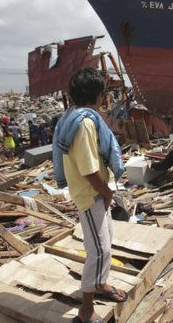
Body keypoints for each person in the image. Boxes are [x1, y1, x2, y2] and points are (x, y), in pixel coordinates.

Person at [52, 68, 126, 323]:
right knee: (98, 250)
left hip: (94, 192)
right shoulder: (84, 123)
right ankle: (86, 308)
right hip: (91, 193)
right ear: (97, 95)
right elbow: (89, 169)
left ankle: (100, 284)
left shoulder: (72, 115)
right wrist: (106, 194)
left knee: (106, 245)